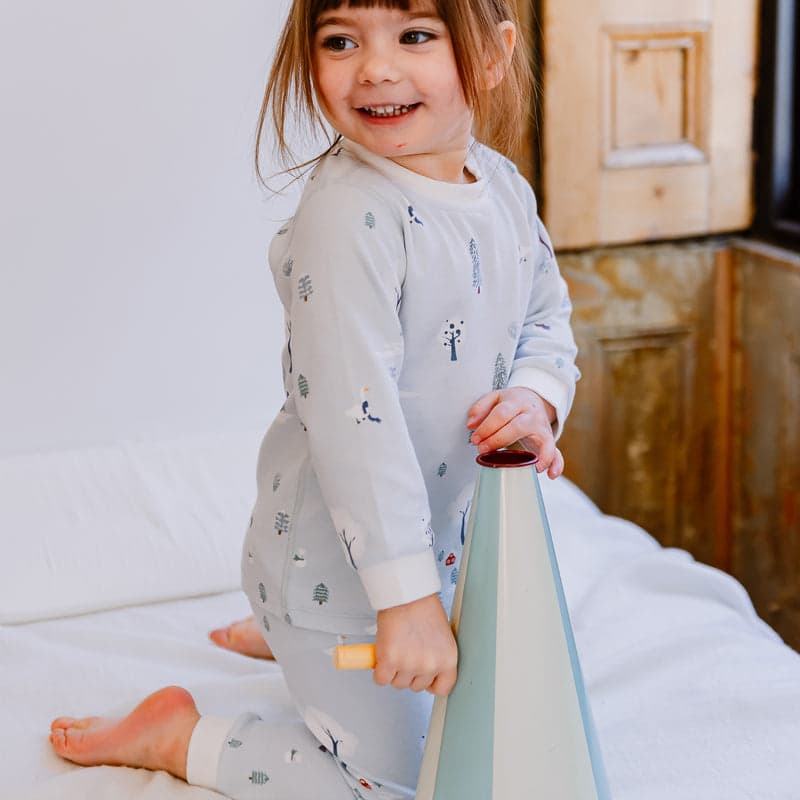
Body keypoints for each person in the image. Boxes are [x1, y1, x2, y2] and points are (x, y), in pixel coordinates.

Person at [48, 1, 579, 797]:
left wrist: (536, 398)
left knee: (508, 722)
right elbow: (353, 425)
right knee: (403, 783)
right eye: (340, 41)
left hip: (450, 552)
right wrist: (405, 605)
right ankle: (181, 735)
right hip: (337, 570)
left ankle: (289, 639)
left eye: (415, 35)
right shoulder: (349, 218)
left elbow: (545, 314)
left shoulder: (501, 186)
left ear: (493, 54)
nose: (375, 68)